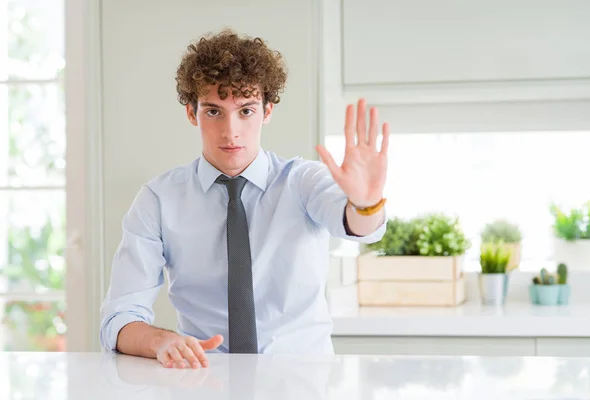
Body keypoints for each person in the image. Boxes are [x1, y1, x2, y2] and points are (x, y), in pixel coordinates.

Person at [99, 29, 390, 369]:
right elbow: (118, 321)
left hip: (303, 382)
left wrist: (366, 203)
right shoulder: (158, 200)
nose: (230, 130)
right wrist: (162, 340)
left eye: (246, 111)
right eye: (213, 111)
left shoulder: (303, 181)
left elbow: (360, 227)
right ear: (192, 114)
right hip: (204, 381)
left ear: (267, 111)